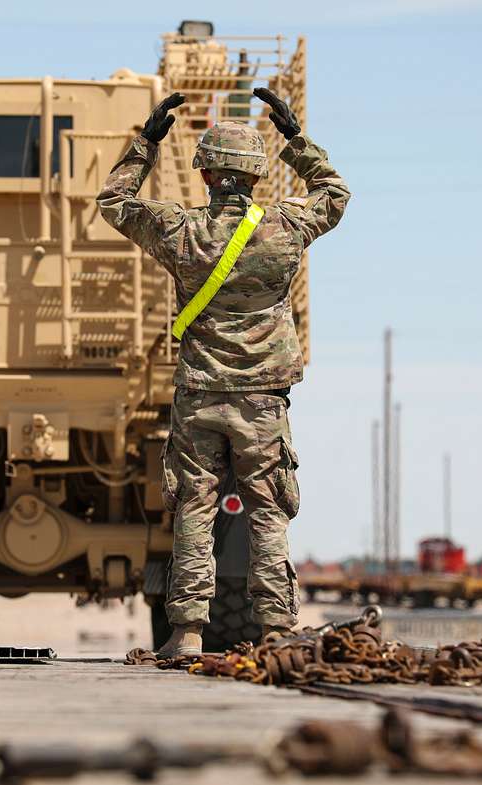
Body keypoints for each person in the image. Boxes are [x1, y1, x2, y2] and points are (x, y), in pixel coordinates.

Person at [98, 88, 350, 656]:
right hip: (263, 398)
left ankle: (186, 633)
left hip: (200, 395)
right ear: (259, 176)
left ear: (206, 175)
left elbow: (114, 203)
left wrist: (147, 143)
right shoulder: (286, 228)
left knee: (194, 506)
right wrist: (296, 141)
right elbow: (334, 195)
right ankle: (278, 629)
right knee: (268, 508)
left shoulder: (180, 230)